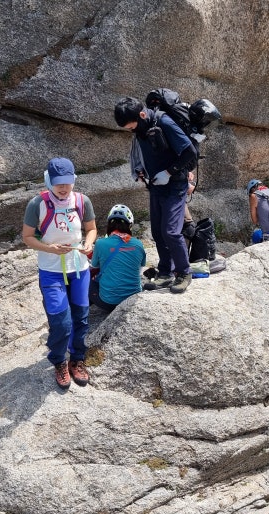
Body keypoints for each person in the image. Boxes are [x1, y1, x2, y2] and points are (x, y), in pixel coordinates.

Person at [21, 158, 97, 390]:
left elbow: (91, 229)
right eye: (58, 183)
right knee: (61, 322)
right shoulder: (37, 204)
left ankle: (77, 359)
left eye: (67, 182)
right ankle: (59, 361)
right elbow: (27, 237)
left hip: (79, 269)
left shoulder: (82, 201)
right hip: (52, 271)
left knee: (81, 318)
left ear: (73, 180)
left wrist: (88, 244)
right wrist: (50, 248)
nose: (63, 188)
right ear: (49, 181)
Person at [114, 96, 197, 294]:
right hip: (155, 185)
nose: (131, 130)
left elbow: (190, 152)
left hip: (175, 184)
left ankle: (184, 273)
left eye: (131, 126)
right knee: (158, 232)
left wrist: (169, 172)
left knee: (170, 231)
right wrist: (143, 171)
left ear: (142, 115)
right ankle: (166, 273)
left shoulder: (165, 122)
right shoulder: (141, 128)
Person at [90, 204, 146, 312]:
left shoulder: (100, 243)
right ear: (130, 225)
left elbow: (95, 265)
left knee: (85, 281)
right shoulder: (138, 244)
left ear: (109, 225)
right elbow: (140, 268)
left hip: (108, 303)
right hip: (132, 298)